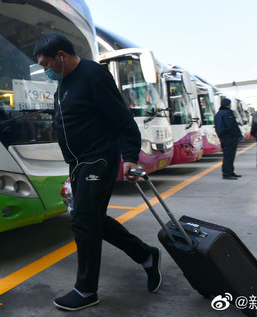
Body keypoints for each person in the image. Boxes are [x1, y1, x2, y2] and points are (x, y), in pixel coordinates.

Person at [33, 33, 162, 311]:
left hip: (98, 160)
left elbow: (122, 119)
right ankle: (146, 254)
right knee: (93, 219)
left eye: (46, 64)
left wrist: (129, 157)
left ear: (61, 56)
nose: (45, 71)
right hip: (78, 163)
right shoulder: (65, 81)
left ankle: (86, 290)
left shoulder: (94, 76)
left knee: (83, 222)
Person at [214, 98, 243, 180]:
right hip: (229, 137)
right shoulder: (227, 113)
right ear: (228, 104)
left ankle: (230, 171)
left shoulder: (217, 114)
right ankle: (227, 173)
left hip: (222, 137)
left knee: (227, 155)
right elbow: (231, 126)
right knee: (229, 156)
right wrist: (237, 135)